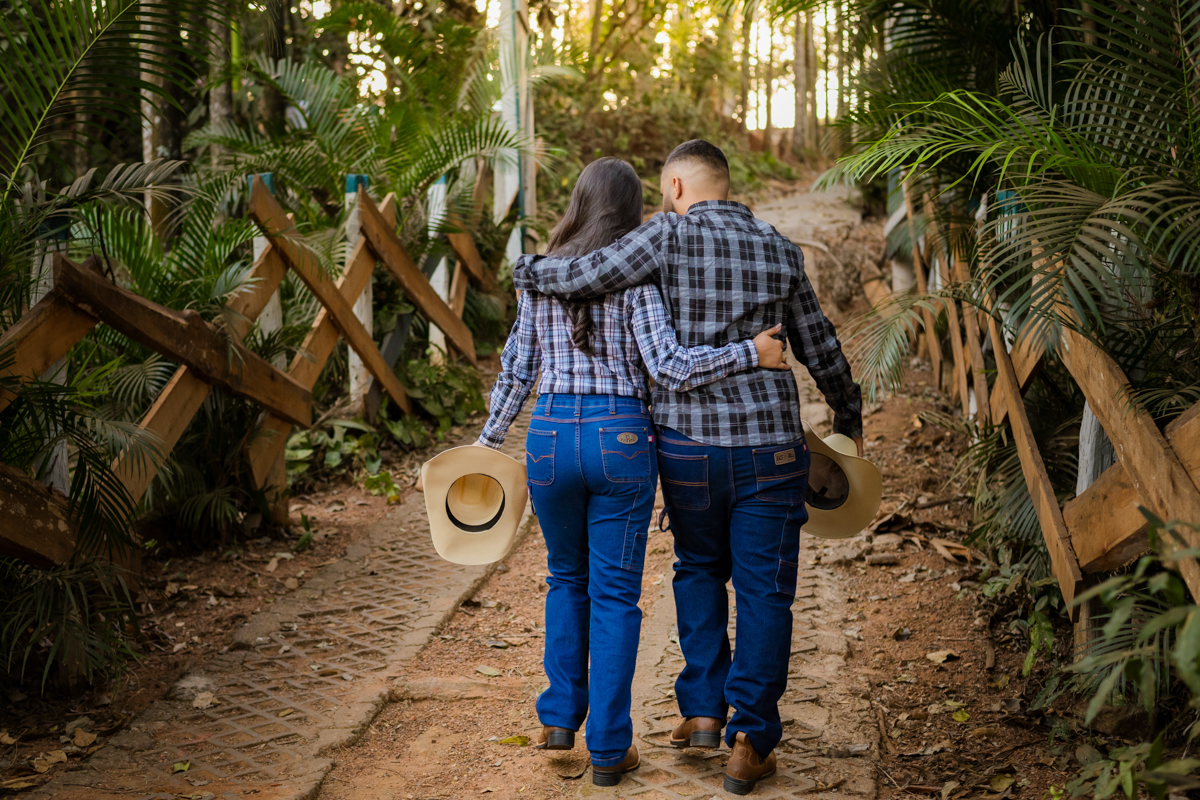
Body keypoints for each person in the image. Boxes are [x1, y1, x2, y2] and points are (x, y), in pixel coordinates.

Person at [511, 140, 864, 795]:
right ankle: (750, 741)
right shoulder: (781, 252)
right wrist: (847, 418)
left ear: (675, 186)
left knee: (698, 567)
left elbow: (582, 278)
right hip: (770, 448)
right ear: (725, 185)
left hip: (686, 448)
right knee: (764, 591)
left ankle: (702, 710)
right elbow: (821, 346)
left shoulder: (659, 242)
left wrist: (527, 270)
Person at [476, 157, 790, 788]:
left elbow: (516, 370)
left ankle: (561, 715)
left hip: (549, 438)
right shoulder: (639, 281)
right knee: (615, 595)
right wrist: (748, 353)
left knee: (566, 578)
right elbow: (670, 367)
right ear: (634, 209)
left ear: (577, 203)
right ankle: (610, 749)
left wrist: (486, 444)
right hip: (620, 439)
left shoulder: (544, 277)